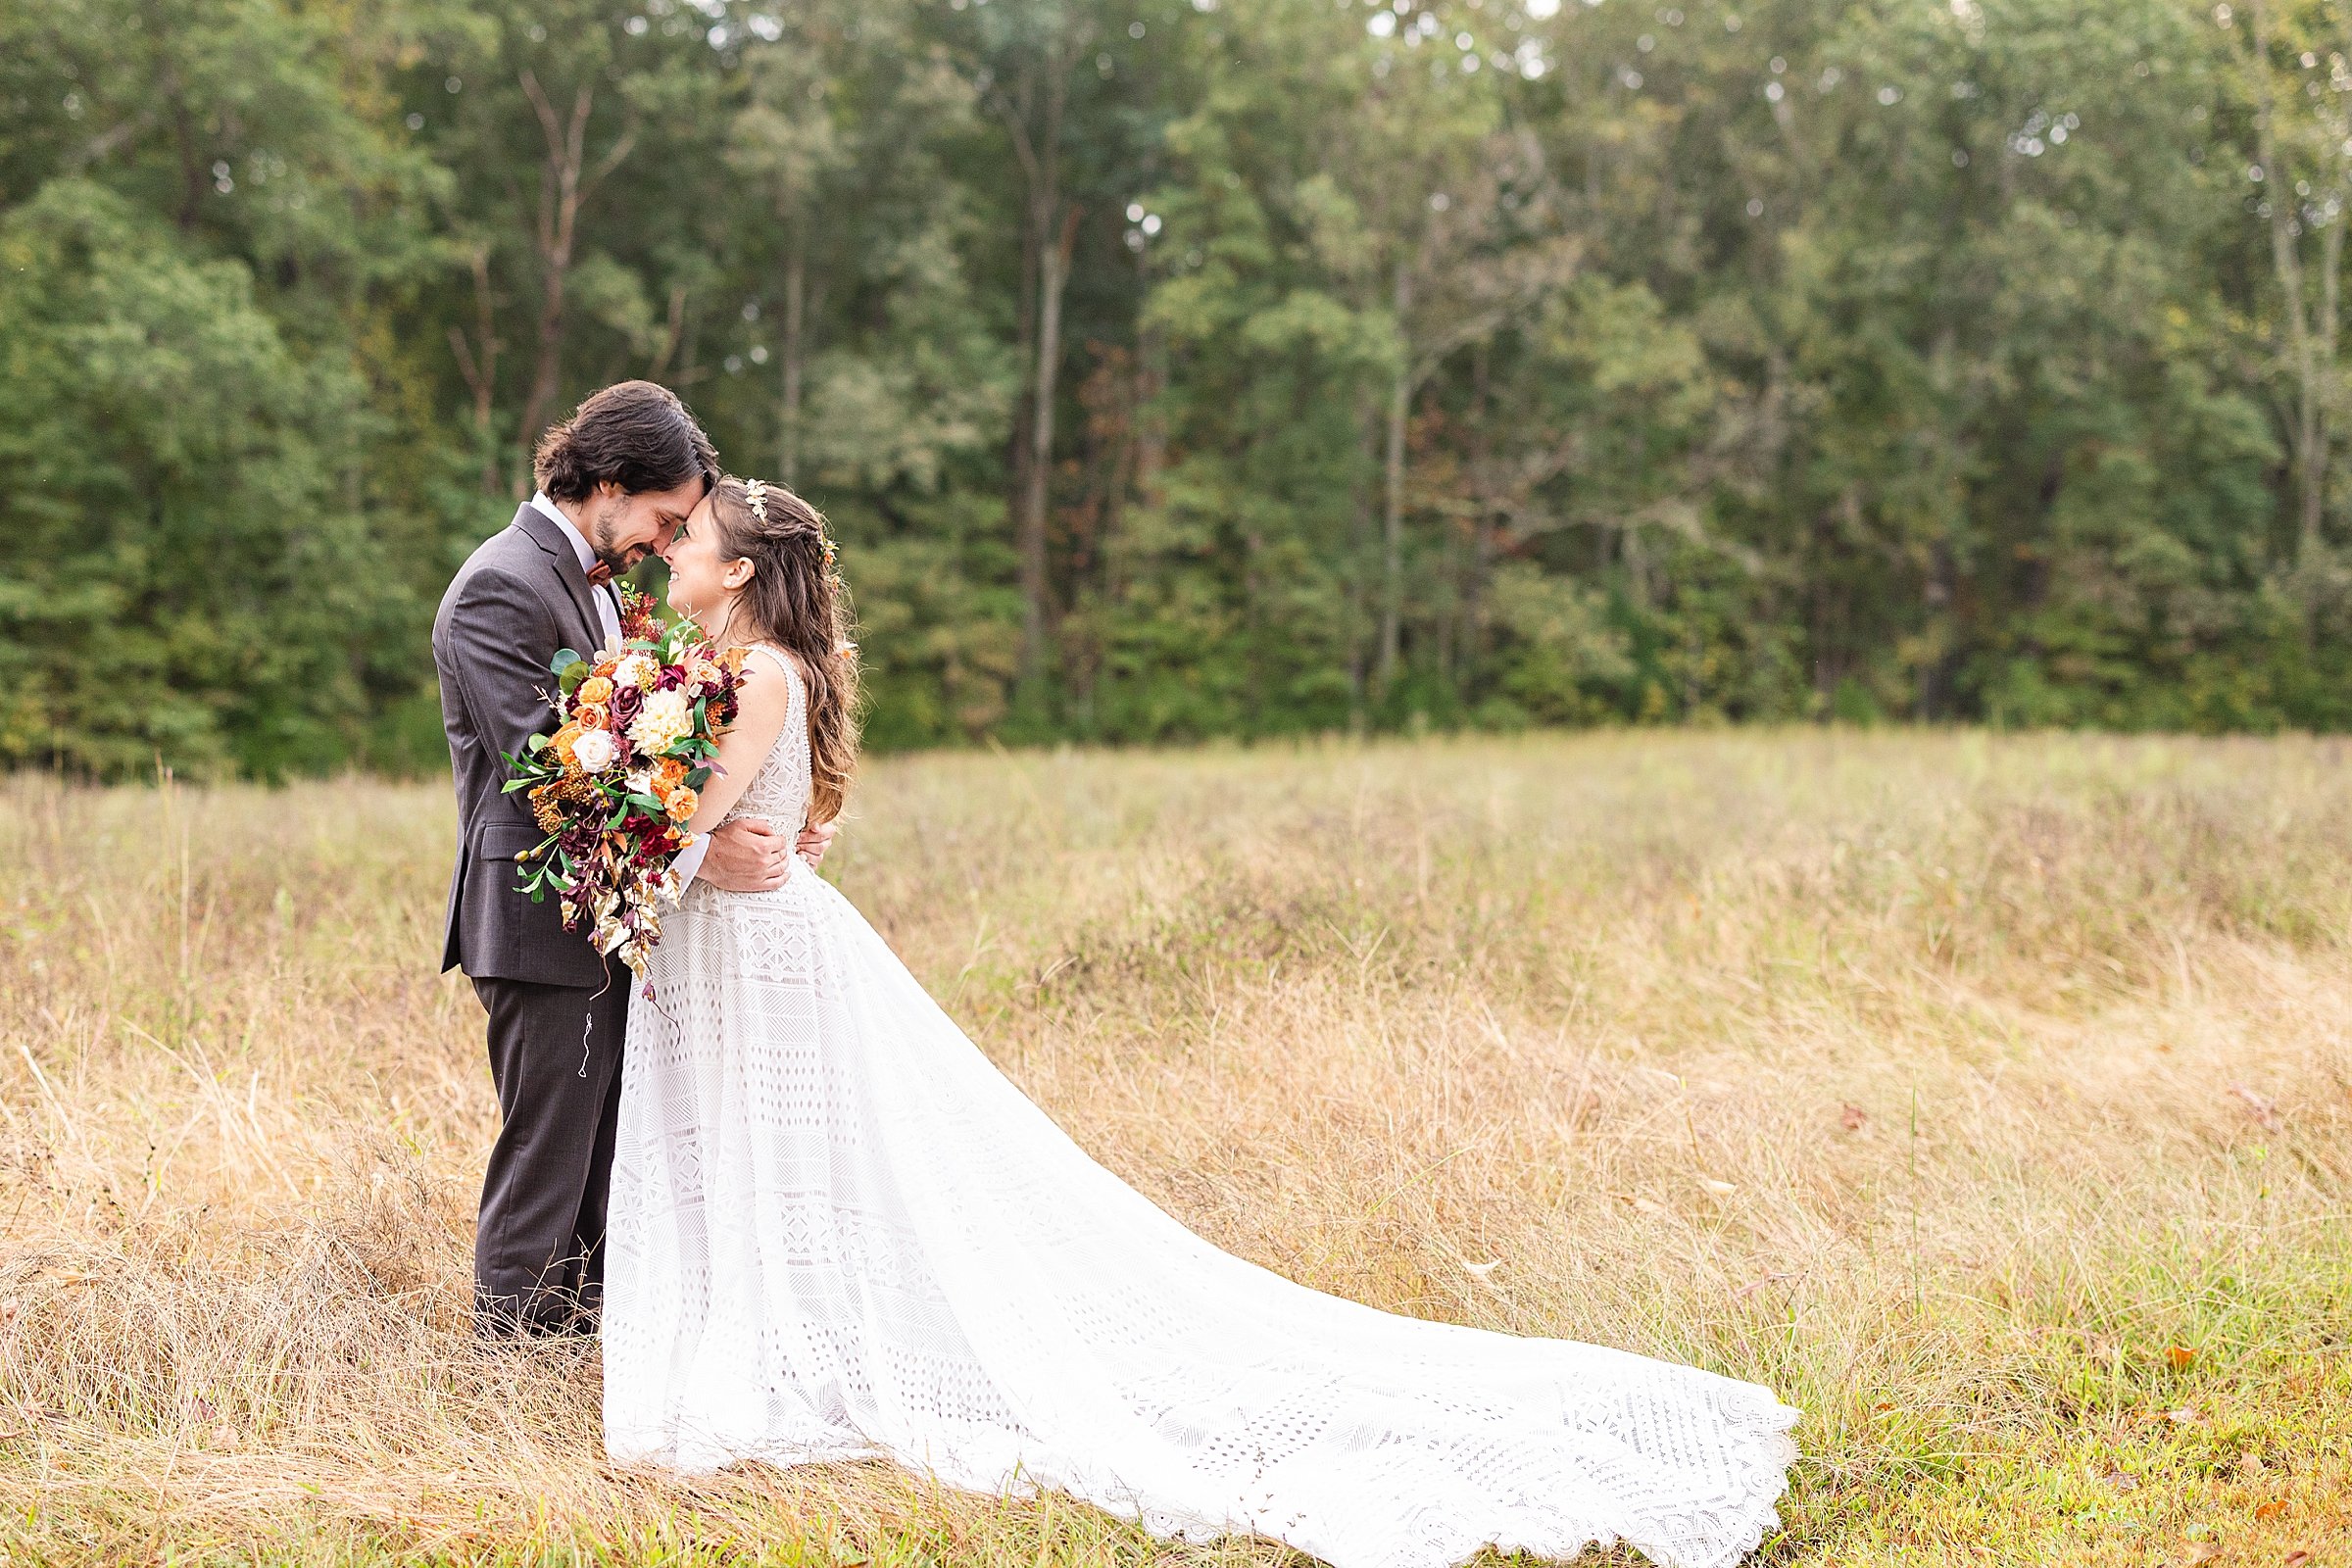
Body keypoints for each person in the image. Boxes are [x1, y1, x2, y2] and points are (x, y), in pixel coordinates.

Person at [600, 474, 1800, 1568]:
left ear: (742, 569)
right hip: (741, 945)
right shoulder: (735, 667)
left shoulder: (757, 673)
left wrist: (611, 790)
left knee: (788, 1151)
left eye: (690, 540)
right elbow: (719, 822)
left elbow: (684, 814)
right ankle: (772, 1331)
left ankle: (796, 1351)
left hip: (761, 952)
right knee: (765, 1150)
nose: (671, 555)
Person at [430, 382, 830, 1337]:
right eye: (662, 517)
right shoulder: (502, 584)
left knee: (607, 1143)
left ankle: (584, 1339)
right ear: (607, 481)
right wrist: (700, 860)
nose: (664, 541)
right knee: (549, 1149)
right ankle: (510, 1362)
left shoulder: (594, 583)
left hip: (613, 911)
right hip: (540, 915)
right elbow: (548, 776)